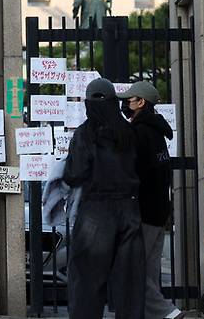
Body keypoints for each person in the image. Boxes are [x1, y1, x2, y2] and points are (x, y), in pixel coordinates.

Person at [63, 78, 145, 318]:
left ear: (89, 103)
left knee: (87, 281)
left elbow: (75, 174)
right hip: (130, 207)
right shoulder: (129, 132)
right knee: (130, 284)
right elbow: (143, 170)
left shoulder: (86, 133)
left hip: (96, 210)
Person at [118, 81, 183, 319]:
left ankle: (168, 312)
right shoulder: (157, 131)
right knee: (149, 270)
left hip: (144, 212)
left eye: (129, 99)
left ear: (141, 102)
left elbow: (134, 172)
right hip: (159, 211)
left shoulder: (138, 132)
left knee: (133, 270)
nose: (125, 104)